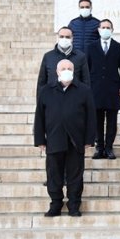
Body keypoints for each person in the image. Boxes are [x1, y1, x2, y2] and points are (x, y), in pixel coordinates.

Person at [34, 59, 96, 217]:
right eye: (63, 68)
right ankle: (55, 203)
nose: (67, 70)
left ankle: (74, 204)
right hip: (55, 139)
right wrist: (40, 139)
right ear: (57, 71)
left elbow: (91, 117)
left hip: (76, 141)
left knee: (75, 175)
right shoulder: (46, 90)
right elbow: (39, 116)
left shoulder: (84, 90)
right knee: (54, 174)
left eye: (70, 68)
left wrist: (89, 139)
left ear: (74, 70)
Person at [86, 19, 120, 160]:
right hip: (95, 88)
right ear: (98, 29)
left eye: (108, 27)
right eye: (103, 27)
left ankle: (109, 147)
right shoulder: (91, 47)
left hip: (112, 88)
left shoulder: (119, 47)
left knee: (111, 120)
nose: (105, 29)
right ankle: (99, 147)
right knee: (97, 120)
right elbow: (86, 68)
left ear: (112, 29)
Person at [37, 26, 90, 98]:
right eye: (61, 36)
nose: (64, 39)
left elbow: (86, 81)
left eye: (67, 37)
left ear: (72, 39)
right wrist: (40, 104)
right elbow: (41, 82)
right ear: (57, 38)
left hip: (74, 100)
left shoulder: (80, 57)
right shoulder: (48, 56)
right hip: (52, 99)